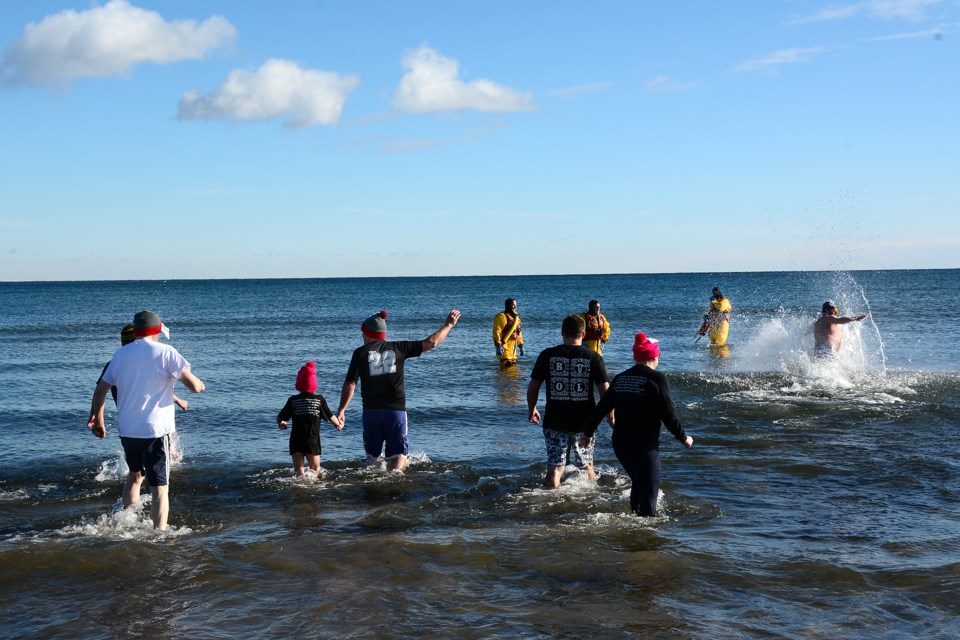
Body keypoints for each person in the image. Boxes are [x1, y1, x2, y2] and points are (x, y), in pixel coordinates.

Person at [87, 310, 205, 530]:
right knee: (160, 488)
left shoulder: (119, 355)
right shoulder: (166, 352)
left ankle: (126, 520)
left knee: (134, 475)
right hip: (155, 432)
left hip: (128, 431)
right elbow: (195, 387)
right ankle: (159, 536)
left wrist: (98, 419)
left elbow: (100, 390)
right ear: (156, 331)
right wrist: (198, 383)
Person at [338, 309, 461, 472]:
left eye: (363, 333)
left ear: (368, 333)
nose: (362, 336)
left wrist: (342, 410)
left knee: (372, 459)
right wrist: (448, 325)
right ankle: (395, 485)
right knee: (398, 457)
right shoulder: (399, 348)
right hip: (395, 412)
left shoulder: (360, 353)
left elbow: (350, 384)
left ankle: (370, 491)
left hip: (371, 413)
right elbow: (431, 343)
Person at [587, 332, 693, 517]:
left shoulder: (621, 378)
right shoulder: (657, 378)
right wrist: (683, 437)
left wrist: (587, 432)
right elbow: (668, 413)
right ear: (655, 356)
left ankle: (635, 525)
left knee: (638, 481)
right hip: (644, 445)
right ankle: (645, 537)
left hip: (620, 444)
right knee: (649, 491)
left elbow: (602, 407)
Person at [527, 314, 610, 488]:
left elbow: (533, 387)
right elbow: (605, 393)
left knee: (555, 468)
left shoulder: (547, 355)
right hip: (585, 425)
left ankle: (550, 503)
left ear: (562, 332)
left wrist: (532, 409)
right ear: (585, 333)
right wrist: (611, 417)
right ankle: (589, 504)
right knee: (586, 467)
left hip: (555, 421)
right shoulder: (594, 358)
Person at [96, 324, 189, 461]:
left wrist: (99, 419)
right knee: (162, 440)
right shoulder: (140, 363)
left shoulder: (115, 362)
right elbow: (150, 390)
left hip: (129, 420)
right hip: (150, 417)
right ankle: (167, 460)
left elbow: (100, 392)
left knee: (137, 465)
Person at [277, 361, 343, 477]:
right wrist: (338, 424)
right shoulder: (319, 400)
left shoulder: (293, 400)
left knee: (299, 473)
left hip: (295, 441)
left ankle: (300, 490)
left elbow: (280, 417)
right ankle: (310, 489)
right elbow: (330, 416)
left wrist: (282, 423)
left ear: (298, 383)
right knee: (315, 469)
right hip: (311, 441)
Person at [493, 298, 524, 368]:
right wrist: (498, 346)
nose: (514, 307)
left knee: (514, 372)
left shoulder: (517, 318)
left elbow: (518, 333)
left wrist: (521, 345)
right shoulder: (501, 317)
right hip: (504, 348)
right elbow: (496, 331)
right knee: (506, 368)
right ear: (507, 305)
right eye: (512, 305)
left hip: (513, 351)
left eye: (515, 305)